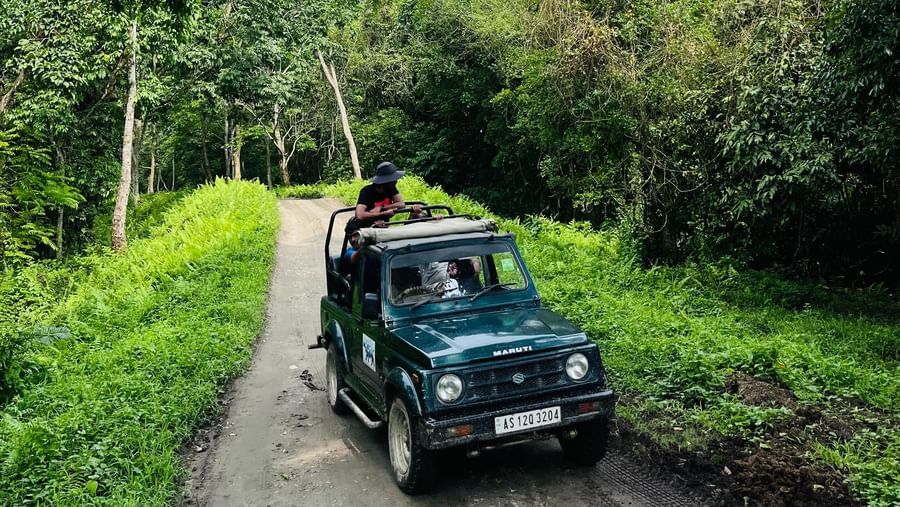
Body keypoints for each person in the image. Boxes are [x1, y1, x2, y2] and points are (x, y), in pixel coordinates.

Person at [346, 161, 421, 234]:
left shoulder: (391, 188)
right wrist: (383, 214)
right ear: (386, 180)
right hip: (367, 230)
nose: (396, 181)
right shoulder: (366, 192)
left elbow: (401, 204)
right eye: (393, 178)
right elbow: (360, 215)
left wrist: (382, 207)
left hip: (384, 228)